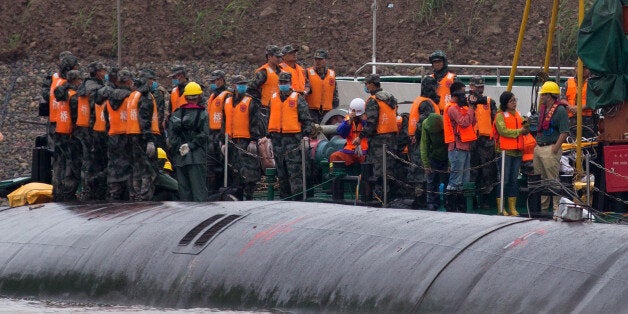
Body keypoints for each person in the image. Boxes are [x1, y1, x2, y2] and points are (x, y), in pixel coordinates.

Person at [268, 72, 313, 200]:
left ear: (290, 83)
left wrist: (305, 136)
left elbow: (306, 120)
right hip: (277, 141)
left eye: (285, 83)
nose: (283, 85)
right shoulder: (273, 98)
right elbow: (269, 118)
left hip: (293, 141)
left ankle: (297, 199)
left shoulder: (298, 98)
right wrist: (268, 137)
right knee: (281, 173)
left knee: (295, 172)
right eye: (281, 82)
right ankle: (284, 199)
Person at [356, 74, 398, 199]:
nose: (366, 86)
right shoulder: (390, 98)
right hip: (392, 138)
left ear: (372, 85)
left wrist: (360, 136)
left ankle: (378, 196)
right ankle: (389, 195)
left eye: (366, 84)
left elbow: (371, 122)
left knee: (378, 169)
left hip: (379, 140)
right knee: (389, 168)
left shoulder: (373, 100)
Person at [223, 75, 265, 200]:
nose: (243, 87)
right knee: (234, 169)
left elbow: (255, 122)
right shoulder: (228, 101)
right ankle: (237, 194)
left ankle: (249, 195)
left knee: (249, 170)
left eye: (244, 84)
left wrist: (253, 140)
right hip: (231, 140)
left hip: (246, 141)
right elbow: (224, 122)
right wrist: (223, 141)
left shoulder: (251, 102)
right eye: (240, 84)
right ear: (234, 86)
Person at [168, 82, 210, 202]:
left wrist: (179, 149)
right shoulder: (203, 114)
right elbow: (204, 135)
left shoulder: (176, 114)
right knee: (199, 192)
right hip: (197, 158)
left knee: (184, 192)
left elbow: (172, 135)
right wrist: (190, 146)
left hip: (181, 158)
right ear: (199, 97)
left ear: (185, 97)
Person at [534, 81, 570, 214]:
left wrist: (555, 148)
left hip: (550, 148)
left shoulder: (560, 110)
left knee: (552, 179)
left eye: (543, 95)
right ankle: (543, 209)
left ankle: (556, 208)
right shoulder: (543, 109)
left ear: (549, 96)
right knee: (541, 180)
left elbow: (564, 131)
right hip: (539, 147)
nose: (541, 97)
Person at [494, 91, 530, 216]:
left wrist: (526, 127)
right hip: (505, 152)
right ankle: (501, 207)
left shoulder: (519, 114)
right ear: (505, 102)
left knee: (513, 180)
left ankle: (512, 207)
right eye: (511, 101)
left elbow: (523, 131)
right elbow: (503, 131)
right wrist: (520, 131)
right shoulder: (500, 116)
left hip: (517, 152)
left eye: (515, 100)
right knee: (504, 180)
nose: (514, 103)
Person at [75, 62, 108, 201]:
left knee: (88, 161)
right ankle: (91, 191)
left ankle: (87, 190)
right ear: (96, 72)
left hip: (83, 129)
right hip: (93, 130)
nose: (104, 72)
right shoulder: (95, 88)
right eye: (102, 70)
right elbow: (96, 109)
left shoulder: (84, 86)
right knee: (94, 162)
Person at [443, 81, 476, 212]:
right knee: (455, 179)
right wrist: (471, 108)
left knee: (464, 179)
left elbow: (472, 122)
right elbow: (464, 122)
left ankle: (461, 206)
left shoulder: (461, 107)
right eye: (463, 92)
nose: (465, 95)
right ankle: (451, 206)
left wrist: (471, 108)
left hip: (464, 146)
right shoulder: (451, 108)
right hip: (457, 147)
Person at [407, 76, 440, 207]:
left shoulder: (420, 101)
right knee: (423, 170)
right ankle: (422, 198)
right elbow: (425, 122)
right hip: (423, 141)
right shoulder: (427, 103)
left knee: (420, 170)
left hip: (418, 140)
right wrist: (417, 134)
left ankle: (421, 197)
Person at [127, 75, 159, 201]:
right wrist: (149, 139)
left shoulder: (132, 96)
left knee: (136, 168)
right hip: (142, 136)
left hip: (132, 135)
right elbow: (144, 119)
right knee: (147, 169)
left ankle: (135, 195)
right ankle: (145, 197)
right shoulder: (145, 97)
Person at [52, 69, 82, 201]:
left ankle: (58, 191)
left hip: (59, 132)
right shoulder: (74, 96)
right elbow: (76, 118)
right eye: (79, 79)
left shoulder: (62, 94)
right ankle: (68, 193)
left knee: (59, 164)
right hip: (70, 134)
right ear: (75, 80)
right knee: (73, 165)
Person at [102, 69, 133, 201]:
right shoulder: (131, 98)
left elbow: (106, 118)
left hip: (113, 136)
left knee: (114, 167)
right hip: (128, 135)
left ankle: (114, 195)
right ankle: (128, 197)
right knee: (130, 166)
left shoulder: (109, 99)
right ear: (128, 81)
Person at [468, 75, 498, 209]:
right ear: (471, 86)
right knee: (472, 171)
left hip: (486, 143)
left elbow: (496, 120)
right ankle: (471, 199)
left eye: (481, 87)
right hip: (471, 141)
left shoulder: (489, 102)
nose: (479, 90)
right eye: (477, 86)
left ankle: (485, 200)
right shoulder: (465, 101)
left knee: (487, 172)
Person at [206, 70, 231, 195]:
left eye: (215, 81)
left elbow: (227, 117)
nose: (213, 83)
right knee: (211, 164)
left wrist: (224, 138)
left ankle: (224, 189)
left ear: (221, 80)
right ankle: (212, 191)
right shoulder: (213, 96)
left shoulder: (227, 95)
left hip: (221, 134)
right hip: (211, 134)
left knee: (224, 164)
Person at [420, 107, 449, 211]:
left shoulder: (446, 123)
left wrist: (450, 163)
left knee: (447, 180)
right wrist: (426, 165)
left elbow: (450, 144)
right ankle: (432, 202)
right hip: (433, 156)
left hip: (446, 155)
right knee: (431, 180)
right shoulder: (425, 125)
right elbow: (424, 145)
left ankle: (447, 201)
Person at [329, 98, 368, 166]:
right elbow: (342, 133)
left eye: (358, 116)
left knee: (368, 162)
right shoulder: (347, 119)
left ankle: (364, 176)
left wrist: (363, 120)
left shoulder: (368, 120)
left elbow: (370, 130)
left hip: (364, 151)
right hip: (349, 151)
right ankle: (333, 172)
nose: (356, 117)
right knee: (333, 157)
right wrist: (349, 122)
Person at [305, 49, 339, 123]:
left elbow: (335, 94)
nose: (317, 61)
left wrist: (334, 111)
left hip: (327, 111)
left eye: (320, 59)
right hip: (311, 111)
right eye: (316, 59)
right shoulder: (307, 73)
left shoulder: (332, 74)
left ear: (325, 60)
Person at [250, 45, 284, 114]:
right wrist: (258, 103)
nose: (279, 59)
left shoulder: (282, 71)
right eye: (277, 57)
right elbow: (250, 88)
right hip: (266, 109)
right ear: (269, 57)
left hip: (280, 107)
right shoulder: (263, 72)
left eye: (280, 57)